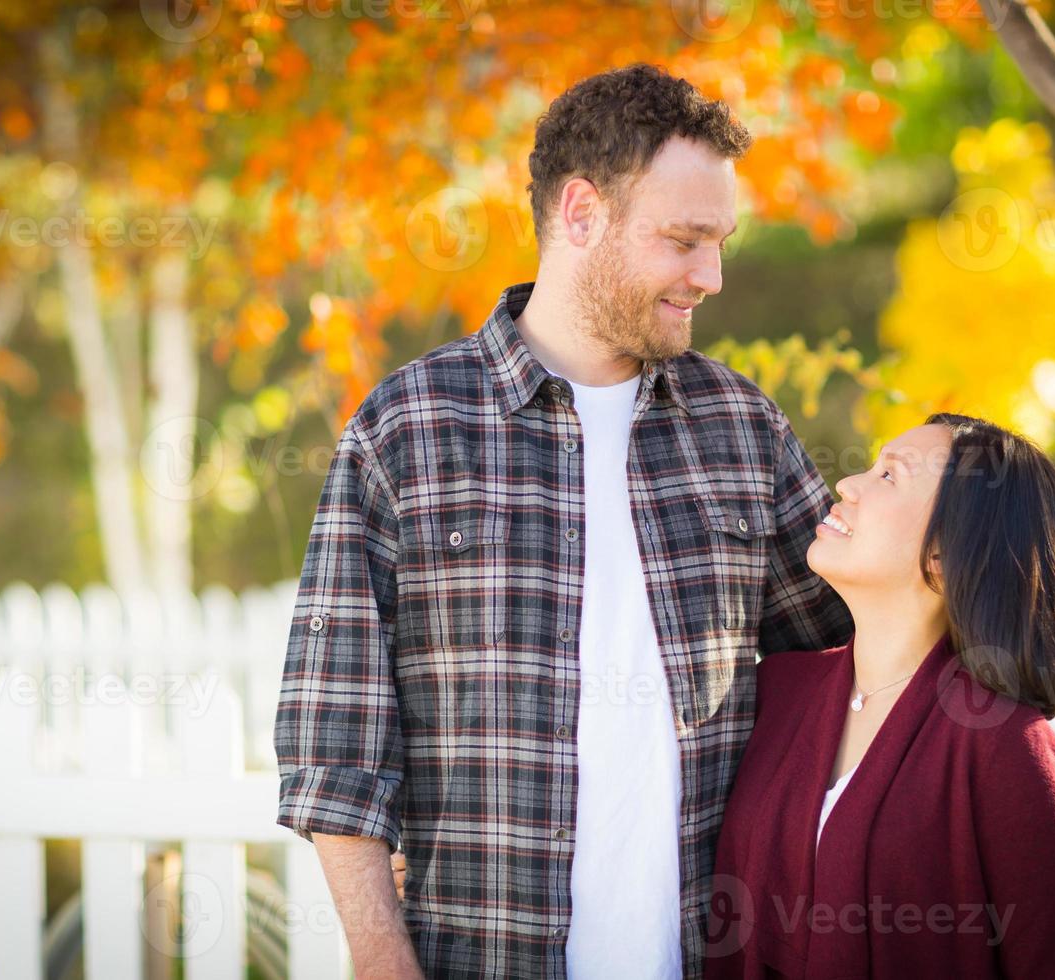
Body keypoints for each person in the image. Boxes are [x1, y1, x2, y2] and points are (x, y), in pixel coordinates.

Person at [274, 62, 853, 980]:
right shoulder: (407, 430)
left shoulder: (742, 430)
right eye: (683, 241)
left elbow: (847, 659)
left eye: (720, 243)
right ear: (581, 213)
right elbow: (333, 744)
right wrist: (384, 963)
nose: (710, 276)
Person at [704, 414, 1055, 978]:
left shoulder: (1007, 748)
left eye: (889, 475)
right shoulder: (777, 693)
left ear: (945, 553)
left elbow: (1048, 964)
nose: (848, 485)